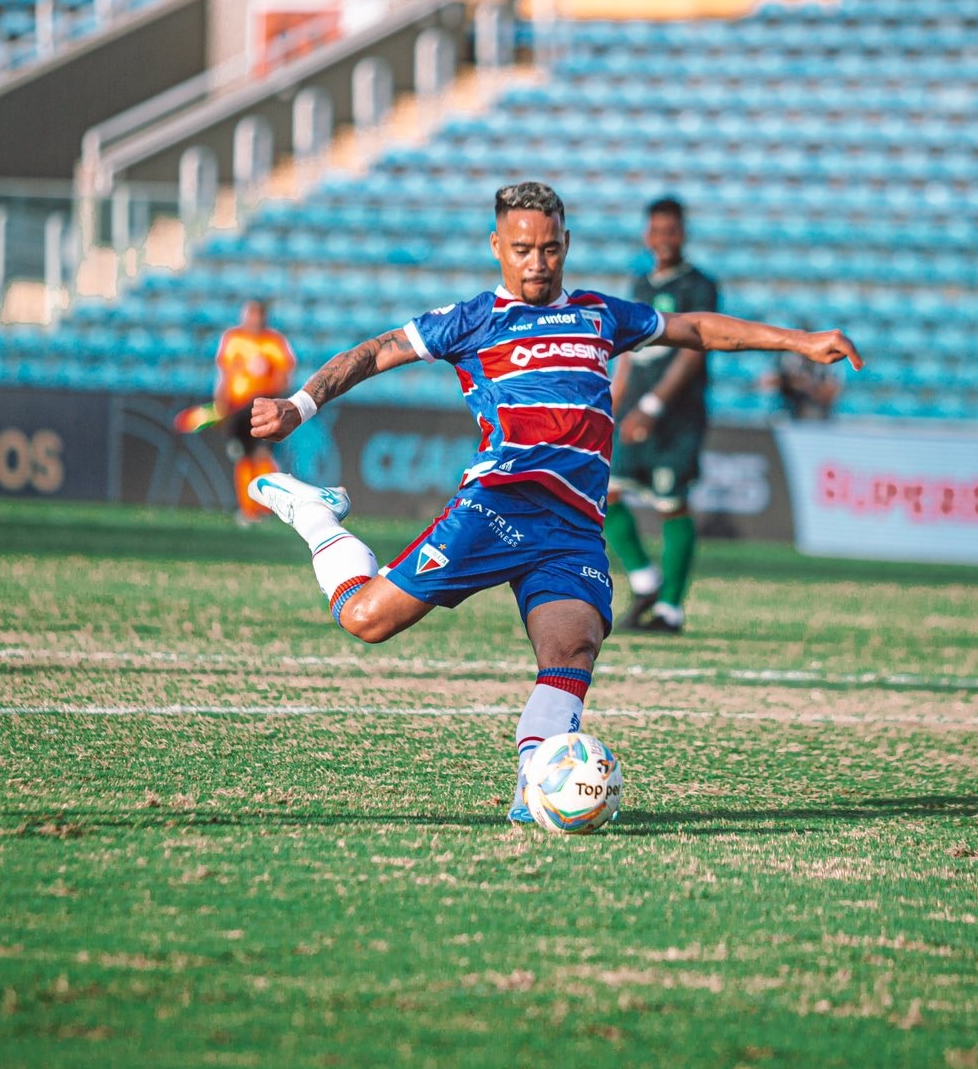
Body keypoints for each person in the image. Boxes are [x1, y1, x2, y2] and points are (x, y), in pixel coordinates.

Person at [244, 182, 860, 823]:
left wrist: (798, 341)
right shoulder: (472, 319)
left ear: (565, 245)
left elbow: (697, 329)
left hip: (573, 528)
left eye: (548, 249)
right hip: (499, 505)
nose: (536, 262)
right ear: (497, 248)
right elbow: (374, 352)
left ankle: (533, 787)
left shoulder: (601, 315)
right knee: (366, 620)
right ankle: (315, 515)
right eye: (521, 249)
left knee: (571, 650)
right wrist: (299, 405)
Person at [601, 197, 718, 634]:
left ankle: (670, 608)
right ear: (647, 234)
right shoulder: (641, 284)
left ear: (683, 233)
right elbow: (631, 351)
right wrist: (613, 401)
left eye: (671, 230)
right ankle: (645, 580)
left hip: (677, 418)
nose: (663, 239)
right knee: (605, 493)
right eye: (656, 230)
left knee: (673, 504)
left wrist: (653, 406)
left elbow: (694, 353)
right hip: (634, 411)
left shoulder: (699, 286)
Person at [214, 300, 296, 524]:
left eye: (257, 314)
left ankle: (266, 507)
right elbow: (225, 375)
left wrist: (273, 402)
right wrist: (221, 404)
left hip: (261, 406)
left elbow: (284, 376)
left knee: (262, 455)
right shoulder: (233, 339)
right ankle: (248, 509)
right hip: (236, 408)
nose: (254, 319)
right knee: (242, 455)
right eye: (250, 313)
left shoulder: (274, 342)